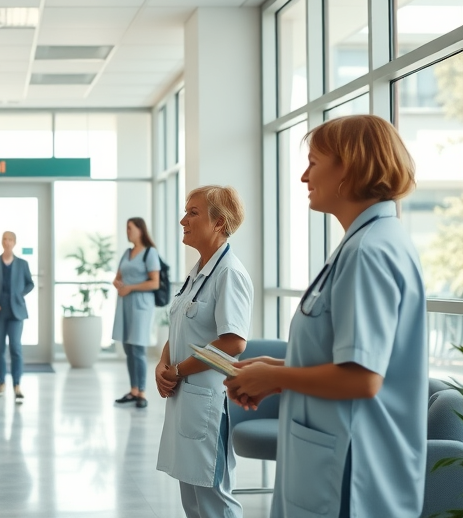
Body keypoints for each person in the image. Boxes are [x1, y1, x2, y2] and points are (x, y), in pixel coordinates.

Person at [224, 115, 426, 518]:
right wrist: (277, 369)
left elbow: (363, 378)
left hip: (352, 468)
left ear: (347, 168)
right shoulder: (366, 244)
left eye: (314, 162)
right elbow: (349, 361)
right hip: (337, 456)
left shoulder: (369, 252)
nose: (303, 176)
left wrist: (275, 377)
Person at [155, 185, 253, 518]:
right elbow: (181, 325)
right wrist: (162, 363)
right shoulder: (198, 272)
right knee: (194, 501)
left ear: (219, 224)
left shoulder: (229, 273)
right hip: (187, 401)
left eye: (193, 212)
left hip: (209, 403)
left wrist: (179, 370)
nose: (183, 219)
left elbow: (233, 342)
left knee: (214, 501)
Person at [112, 217, 161, 409]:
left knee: (138, 348)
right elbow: (118, 277)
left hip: (141, 305)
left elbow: (154, 282)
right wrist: (118, 283)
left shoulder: (150, 253)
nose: (127, 231)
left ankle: (142, 392)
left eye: (130, 228)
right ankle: (133, 390)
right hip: (125, 304)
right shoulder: (127, 253)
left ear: (140, 230)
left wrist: (130, 287)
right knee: (128, 348)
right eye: (126, 228)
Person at [0, 231, 35, 404]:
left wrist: (20, 294)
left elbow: (30, 283)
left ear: (15, 242)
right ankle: (1, 383)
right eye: (5, 239)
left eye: (10, 239)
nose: (7, 242)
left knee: (16, 348)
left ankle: (17, 385)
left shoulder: (22, 264)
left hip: (16, 312)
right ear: (2, 242)